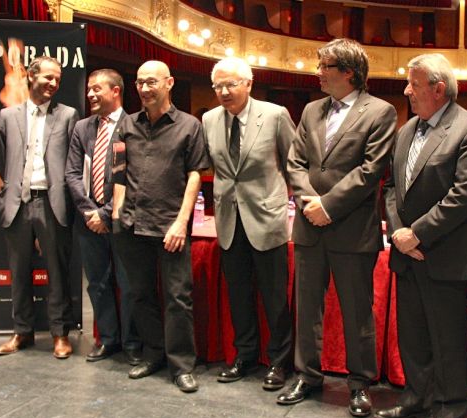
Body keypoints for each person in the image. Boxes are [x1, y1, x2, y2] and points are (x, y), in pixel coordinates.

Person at [278, 38, 397, 418]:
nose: (318, 73)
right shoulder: (312, 110)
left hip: (351, 229)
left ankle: (360, 384)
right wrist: (309, 201)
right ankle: (306, 375)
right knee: (307, 308)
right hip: (310, 227)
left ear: (348, 71)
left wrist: (327, 206)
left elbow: (371, 170)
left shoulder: (381, 111)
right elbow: (294, 161)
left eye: (325, 66)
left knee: (357, 313)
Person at [376, 54, 467, 418]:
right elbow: (391, 186)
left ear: (438, 89)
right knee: (413, 335)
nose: (407, 90)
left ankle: (452, 405)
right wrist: (397, 232)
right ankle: (416, 399)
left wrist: (417, 234)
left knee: (448, 338)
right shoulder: (406, 129)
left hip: (444, 254)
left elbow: (464, 194)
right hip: (406, 253)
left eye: (414, 83)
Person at [111, 60, 209, 393]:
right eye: (139, 82)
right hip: (131, 224)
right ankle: (153, 354)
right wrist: (116, 215)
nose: (144, 88)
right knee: (140, 295)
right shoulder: (126, 124)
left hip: (171, 227)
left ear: (168, 83)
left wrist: (182, 222)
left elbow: (196, 174)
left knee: (178, 298)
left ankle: (181, 364)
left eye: (151, 82)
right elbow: (118, 172)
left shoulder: (190, 126)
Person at [201, 57, 296, 390]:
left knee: (274, 298)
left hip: (267, 218)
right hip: (228, 219)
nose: (224, 92)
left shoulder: (274, 115)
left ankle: (280, 362)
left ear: (249, 84)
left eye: (231, 84)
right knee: (238, 295)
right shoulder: (209, 119)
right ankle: (244, 356)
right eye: (218, 86)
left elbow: (294, 164)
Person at [0, 56, 78, 359]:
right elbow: (0, 161)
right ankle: (22, 332)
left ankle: (60, 334)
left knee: (57, 270)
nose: (53, 84)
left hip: (51, 202)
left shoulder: (68, 115)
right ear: (31, 76)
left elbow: (72, 162)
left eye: (57, 79)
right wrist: (6, 193)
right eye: (48, 78)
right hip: (17, 203)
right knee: (18, 272)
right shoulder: (7, 116)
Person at [65, 69, 142, 364]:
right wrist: (89, 211)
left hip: (122, 220)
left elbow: (134, 175)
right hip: (88, 221)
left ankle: (132, 343)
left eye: (97, 89)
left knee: (127, 282)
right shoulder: (82, 128)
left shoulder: (134, 125)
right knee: (96, 282)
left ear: (116, 91)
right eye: (89, 89)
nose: (90, 94)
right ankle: (108, 339)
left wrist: (107, 212)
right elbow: (72, 172)